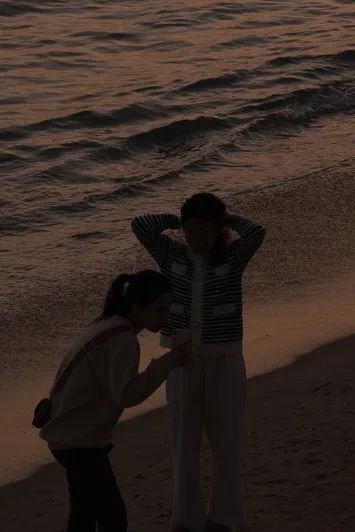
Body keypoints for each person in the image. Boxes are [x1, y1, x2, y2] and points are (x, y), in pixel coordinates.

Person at [132, 195, 266, 532]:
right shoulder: (172, 254)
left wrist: (225, 220)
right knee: (183, 441)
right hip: (181, 362)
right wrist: (182, 220)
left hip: (224, 360)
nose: (197, 238)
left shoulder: (233, 257)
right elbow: (141, 226)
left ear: (218, 232)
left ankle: (224, 517)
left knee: (226, 442)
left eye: (206, 231)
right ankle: (187, 519)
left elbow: (256, 231)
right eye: (191, 231)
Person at [38, 269, 191, 531]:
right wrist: (169, 362)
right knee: (112, 515)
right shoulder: (124, 339)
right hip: (78, 439)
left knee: (84, 510)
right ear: (137, 307)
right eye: (160, 310)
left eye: (168, 310)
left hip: (66, 432)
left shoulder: (107, 324)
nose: (166, 317)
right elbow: (127, 395)